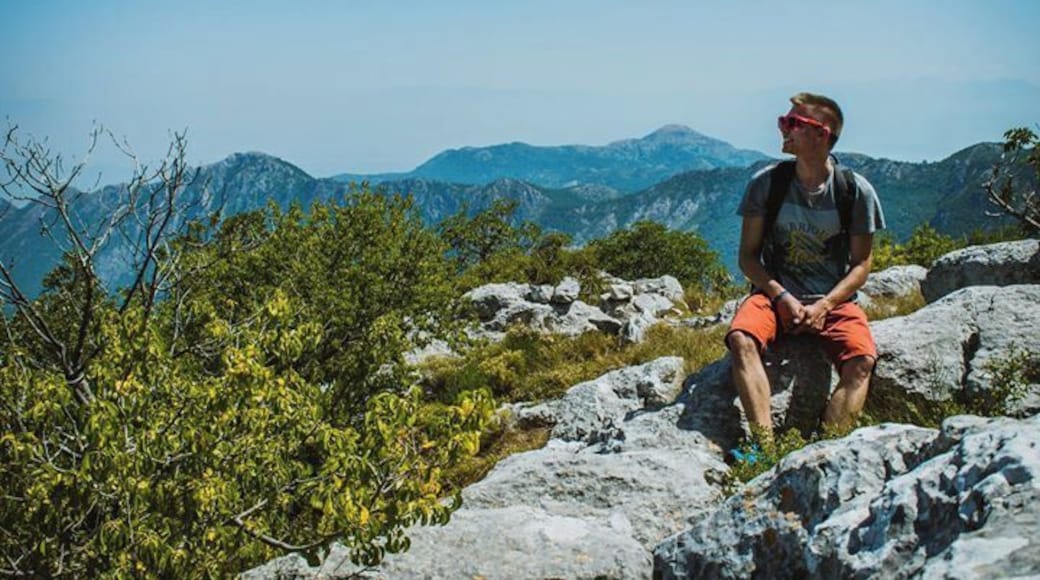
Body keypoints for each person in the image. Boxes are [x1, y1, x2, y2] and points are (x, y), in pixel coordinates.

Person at [726, 92, 886, 445]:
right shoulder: (767, 184)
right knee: (741, 339)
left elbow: (861, 264)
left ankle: (825, 450)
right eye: (784, 121)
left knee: (861, 362)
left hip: (833, 301)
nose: (783, 128)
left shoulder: (855, 191)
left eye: (793, 123)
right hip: (774, 295)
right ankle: (763, 448)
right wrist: (781, 296)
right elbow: (748, 258)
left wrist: (824, 306)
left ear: (822, 133)